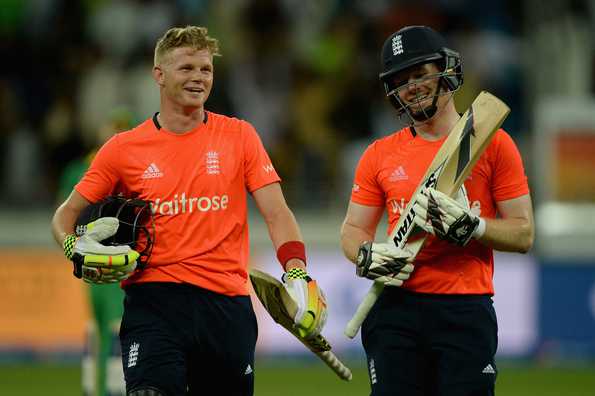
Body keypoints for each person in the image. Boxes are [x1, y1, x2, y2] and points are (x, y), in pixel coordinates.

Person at [52, 25, 326, 396]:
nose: (199, 78)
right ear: (159, 76)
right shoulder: (122, 149)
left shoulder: (240, 136)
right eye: (186, 68)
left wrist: (297, 270)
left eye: (206, 69)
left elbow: (277, 212)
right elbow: (64, 218)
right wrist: (74, 247)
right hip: (154, 304)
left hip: (226, 307)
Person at [340, 25, 534, 396]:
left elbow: (524, 234)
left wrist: (474, 227)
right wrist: (366, 254)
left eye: (419, 73)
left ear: (445, 70)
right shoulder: (378, 154)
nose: (411, 86)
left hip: (464, 310)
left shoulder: (493, 143)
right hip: (395, 309)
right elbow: (353, 230)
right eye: (401, 80)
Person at [57, 108, 135, 396]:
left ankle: (105, 389)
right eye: (112, 128)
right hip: (100, 265)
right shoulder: (82, 171)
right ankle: (101, 389)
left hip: (113, 264)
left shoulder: (83, 171)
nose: (113, 135)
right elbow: (66, 218)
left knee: (110, 330)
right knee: (102, 329)